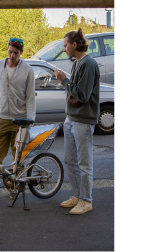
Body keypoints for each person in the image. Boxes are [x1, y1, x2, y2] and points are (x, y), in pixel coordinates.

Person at [0, 37, 36, 204]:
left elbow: (30, 97)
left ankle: (13, 187)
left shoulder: (28, 70)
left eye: (16, 53)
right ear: (7, 49)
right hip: (2, 117)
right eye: (10, 52)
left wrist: (30, 119)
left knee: (17, 156)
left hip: (21, 119)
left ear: (22, 53)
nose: (12, 56)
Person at [54, 28, 100, 214]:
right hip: (71, 118)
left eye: (65, 45)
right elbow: (75, 90)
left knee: (84, 162)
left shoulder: (88, 64)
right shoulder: (77, 62)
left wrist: (64, 81)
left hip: (82, 120)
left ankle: (86, 200)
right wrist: (67, 82)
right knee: (69, 160)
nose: (64, 49)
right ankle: (77, 196)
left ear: (74, 44)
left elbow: (81, 94)